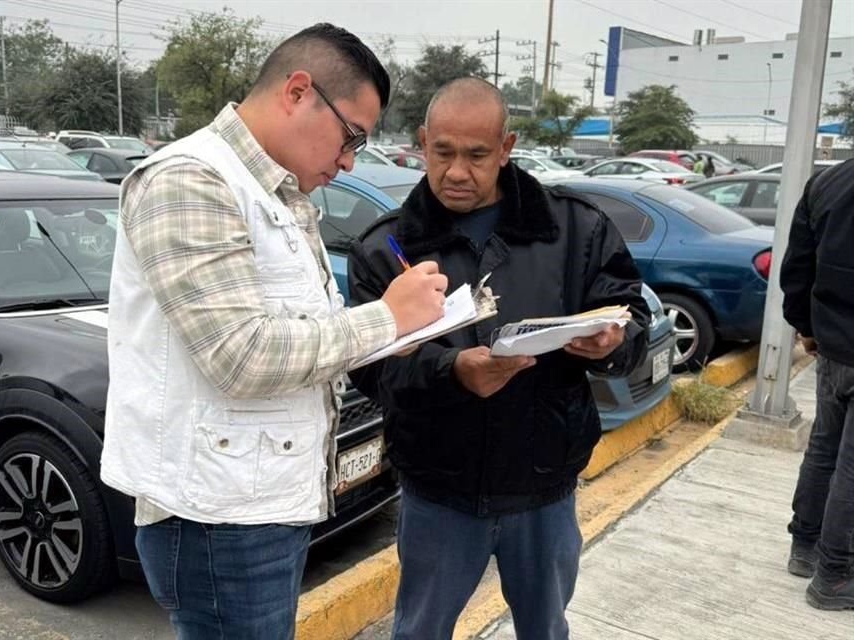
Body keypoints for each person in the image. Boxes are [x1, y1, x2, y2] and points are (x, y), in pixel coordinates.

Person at [99, 24, 449, 639]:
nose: (347, 162)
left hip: (260, 503)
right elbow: (240, 355)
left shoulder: (277, 193)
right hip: (216, 519)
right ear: (297, 92)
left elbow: (303, 335)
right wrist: (386, 317)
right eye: (352, 137)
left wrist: (391, 334)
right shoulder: (190, 180)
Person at [348, 78, 650, 640]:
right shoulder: (387, 247)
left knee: (545, 628)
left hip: (543, 486)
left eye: (477, 155)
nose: (457, 171)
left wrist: (610, 344)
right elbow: (368, 368)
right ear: (421, 141)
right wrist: (451, 372)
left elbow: (630, 317)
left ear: (506, 148)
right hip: (438, 488)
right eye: (443, 152)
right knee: (419, 631)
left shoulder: (576, 229)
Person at [781, 158, 854, 611]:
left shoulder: (827, 182)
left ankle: (805, 547)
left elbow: (798, 266)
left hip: (832, 343)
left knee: (826, 447)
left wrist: (806, 327)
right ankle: (836, 574)